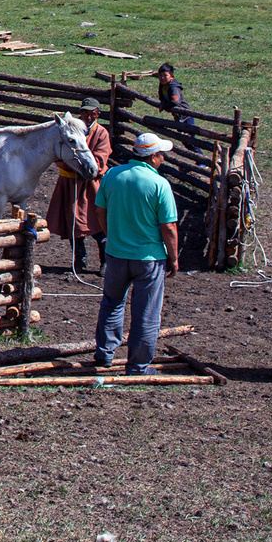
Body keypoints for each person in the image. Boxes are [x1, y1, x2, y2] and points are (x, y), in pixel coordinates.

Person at [89, 132, 178, 374]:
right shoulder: (159, 184)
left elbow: (99, 212)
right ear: (154, 157)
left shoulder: (113, 176)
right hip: (149, 258)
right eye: (161, 155)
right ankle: (138, 366)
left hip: (116, 254)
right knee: (146, 312)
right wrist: (174, 257)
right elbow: (168, 226)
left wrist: (113, 237)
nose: (162, 159)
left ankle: (104, 353)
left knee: (112, 302)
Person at [45, 96, 113, 274]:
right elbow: (60, 154)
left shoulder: (101, 134)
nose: (87, 117)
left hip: (90, 185)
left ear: (98, 114)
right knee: (73, 220)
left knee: (98, 221)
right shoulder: (72, 129)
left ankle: (105, 260)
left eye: (91, 113)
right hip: (69, 183)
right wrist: (69, 164)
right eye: (84, 112)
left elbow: (99, 160)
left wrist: (80, 166)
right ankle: (80, 259)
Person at [156, 63, 197, 146]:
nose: (162, 78)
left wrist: (165, 106)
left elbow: (175, 102)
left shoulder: (173, 87)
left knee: (190, 142)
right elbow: (162, 97)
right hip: (177, 116)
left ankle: (204, 157)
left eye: (165, 76)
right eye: (160, 76)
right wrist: (163, 103)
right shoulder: (162, 85)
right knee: (186, 141)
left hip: (185, 116)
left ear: (172, 76)